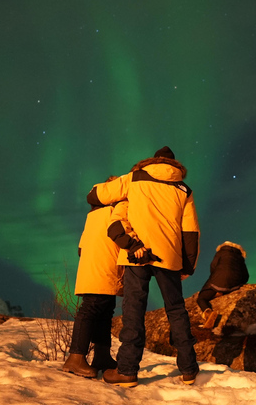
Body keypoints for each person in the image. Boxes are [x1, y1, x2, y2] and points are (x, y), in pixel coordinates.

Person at [88, 146, 201, 387]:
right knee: (176, 309)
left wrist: (96, 193)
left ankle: (127, 371)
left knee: (133, 311)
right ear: (174, 166)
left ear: (152, 161)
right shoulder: (184, 189)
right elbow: (190, 231)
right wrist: (187, 267)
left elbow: (98, 196)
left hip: (136, 255)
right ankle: (189, 369)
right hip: (169, 257)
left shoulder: (135, 178)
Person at [62, 176, 127, 379]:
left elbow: (81, 247)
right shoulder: (117, 209)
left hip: (95, 265)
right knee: (91, 308)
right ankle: (75, 359)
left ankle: (101, 356)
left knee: (104, 309)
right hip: (105, 264)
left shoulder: (93, 213)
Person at [196, 241, 249, 329]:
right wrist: (240, 283)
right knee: (224, 287)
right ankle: (223, 291)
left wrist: (215, 277)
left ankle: (208, 313)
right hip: (235, 285)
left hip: (218, 282)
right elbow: (245, 275)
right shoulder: (240, 257)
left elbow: (213, 266)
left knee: (201, 298)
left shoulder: (220, 253)